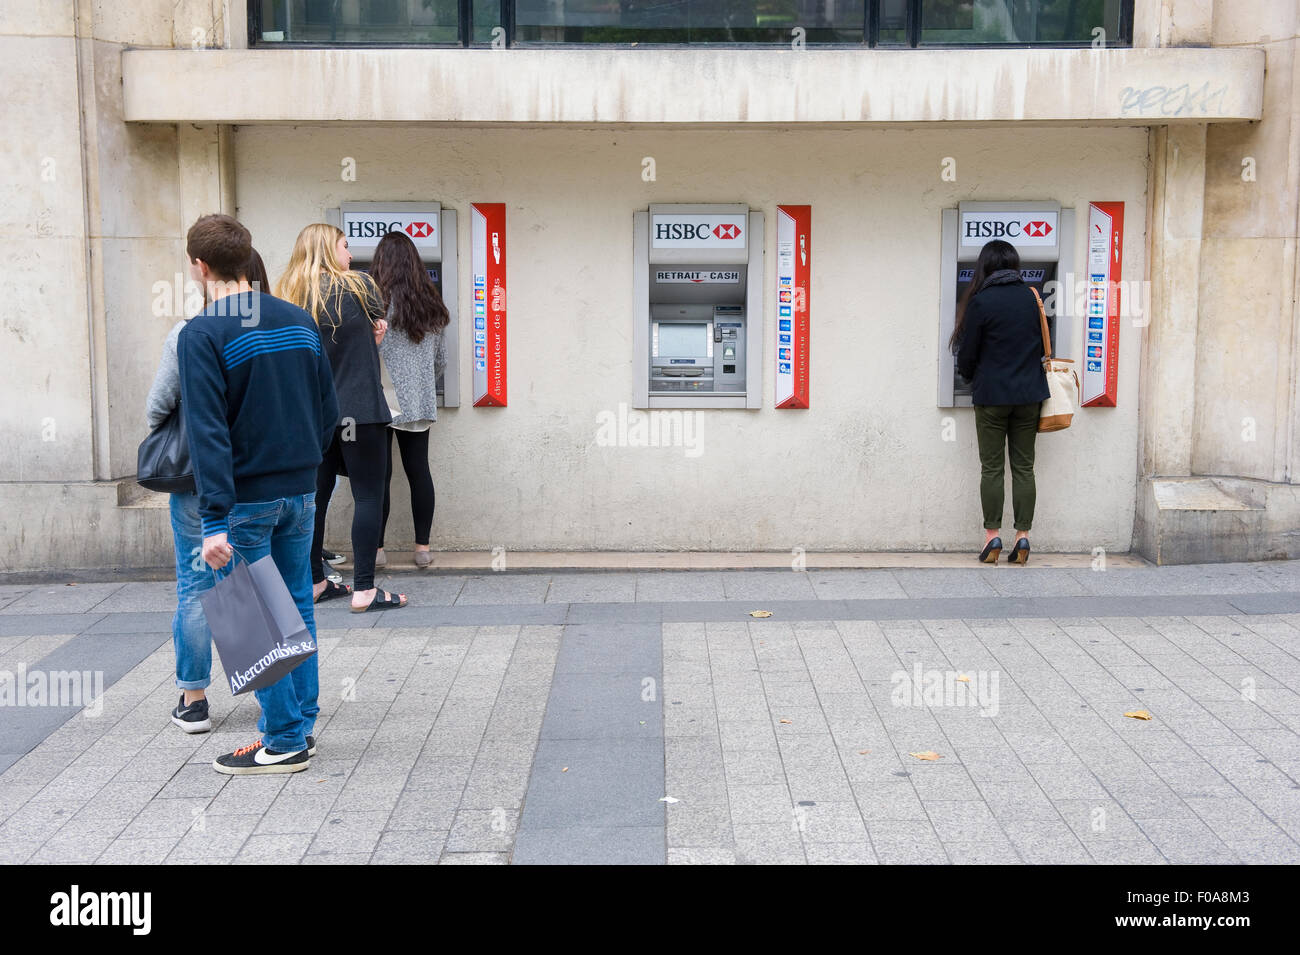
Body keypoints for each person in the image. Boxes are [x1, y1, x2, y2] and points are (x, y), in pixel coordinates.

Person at [178, 214, 339, 774]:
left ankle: (284, 739)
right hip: (300, 490)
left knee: (252, 618)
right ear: (248, 257)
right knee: (295, 605)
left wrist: (214, 520)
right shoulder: (297, 320)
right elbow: (328, 412)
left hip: (244, 501)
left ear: (201, 267)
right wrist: (302, 464)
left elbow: (207, 433)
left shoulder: (202, 333)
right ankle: (302, 722)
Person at [143, 248, 271, 733]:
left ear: (204, 271)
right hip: (256, 475)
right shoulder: (273, 328)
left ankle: (194, 699)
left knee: (196, 584)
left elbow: (159, 406)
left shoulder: (188, 333)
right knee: (249, 582)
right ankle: (267, 694)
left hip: (200, 479)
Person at [275, 223, 409, 612]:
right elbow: (373, 327)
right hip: (359, 411)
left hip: (315, 416)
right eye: (345, 246)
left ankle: (314, 581)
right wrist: (375, 337)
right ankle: (364, 588)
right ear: (327, 250)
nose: (350, 254)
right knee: (368, 495)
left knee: (315, 498)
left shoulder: (289, 297)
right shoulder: (358, 286)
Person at [952, 239, 1049, 566]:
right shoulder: (1032, 297)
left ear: (985, 267)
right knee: (1024, 467)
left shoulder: (981, 302)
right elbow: (1041, 347)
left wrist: (969, 376)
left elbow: (967, 355)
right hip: (1028, 396)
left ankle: (992, 535)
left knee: (992, 467)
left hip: (992, 396)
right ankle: (1023, 537)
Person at [369, 230, 449, 570]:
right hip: (417, 402)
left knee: (379, 476)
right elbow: (441, 361)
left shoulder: (371, 303)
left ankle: (378, 550)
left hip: (378, 402)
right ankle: (422, 548)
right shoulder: (430, 305)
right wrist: (421, 384)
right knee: (419, 472)